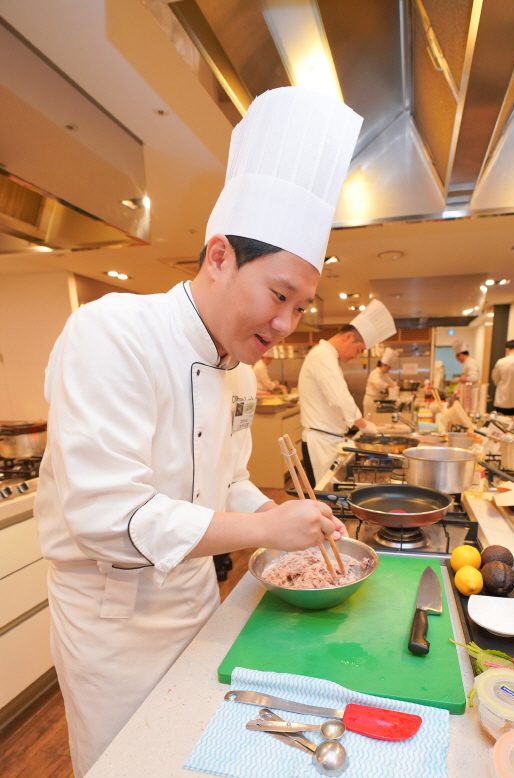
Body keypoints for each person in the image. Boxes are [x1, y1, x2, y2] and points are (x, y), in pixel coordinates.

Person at [34, 86, 362, 777]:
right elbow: (105, 516)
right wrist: (268, 535)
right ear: (218, 256)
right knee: (130, 764)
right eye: (277, 296)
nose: (284, 327)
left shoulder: (237, 369)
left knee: (199, 756)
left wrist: (279, 512)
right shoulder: (112, 332)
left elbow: (229, 481)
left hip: (195, 598)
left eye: (300, 307)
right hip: (111, 624)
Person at [299, 299, 397, 485]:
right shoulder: (323, 355)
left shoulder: (327, 356)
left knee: (329, 496)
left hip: (328, 440)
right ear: (348, 337)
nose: (355, 356)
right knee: (322, 498)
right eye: (358, 350)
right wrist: (364, 425)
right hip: (320, 444)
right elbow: (339, 398)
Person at [363, 347, 398, 419]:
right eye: (388, 368)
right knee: (369, 420)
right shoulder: (375, 373)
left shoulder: (383, 374)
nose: (389, 370)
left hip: (376, 400)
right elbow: (379, 384)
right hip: (370, 401)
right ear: (382, 365)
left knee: (375, 419)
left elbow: (391, 382)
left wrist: (395, 384)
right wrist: (390, 386)